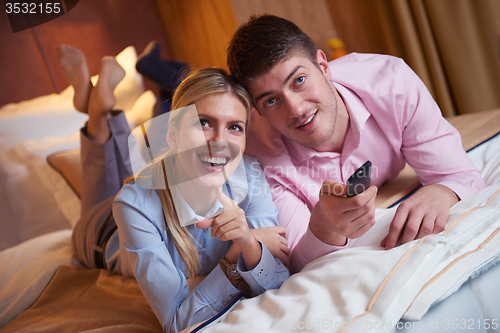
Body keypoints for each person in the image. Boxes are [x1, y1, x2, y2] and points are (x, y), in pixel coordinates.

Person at [226, 14, 486, 273]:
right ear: (258, 111)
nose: (296, 109)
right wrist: (324, 229)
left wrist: (443, 191)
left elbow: (460, 174)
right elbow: (294, 260)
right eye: (271, 101)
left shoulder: (392, 84)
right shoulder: (257, 157)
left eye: (299, 80)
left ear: (323, 66)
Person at [57, 45, 289, 333]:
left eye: (234, 127)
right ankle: (96, 113)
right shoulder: (134, 205)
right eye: (204, 122)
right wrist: (236, 255)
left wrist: (248, 240)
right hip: (101, 233)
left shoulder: (250, 178)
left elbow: (280, 283)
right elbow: (177, 323)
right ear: (173, 133)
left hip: (166, 179)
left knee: (143, 176)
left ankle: (98, 107)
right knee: (118, 193)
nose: (219, 142)